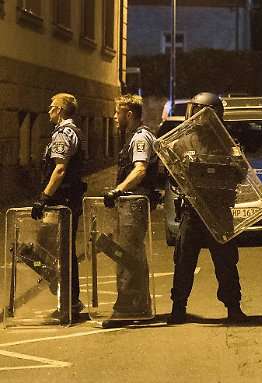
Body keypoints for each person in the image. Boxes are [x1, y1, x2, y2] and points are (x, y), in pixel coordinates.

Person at [167, 92, 248, 324]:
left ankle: (233, 306)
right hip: (192, 210)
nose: (192, 115)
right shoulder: (182, 140)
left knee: (226, 262)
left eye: (196, 110)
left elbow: (241, 174)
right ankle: (178, 307)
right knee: (183, 261)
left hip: (218, 211)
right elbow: (172, 174)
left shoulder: (226, 142)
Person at [100, 94, 157, 327]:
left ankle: (126, 309)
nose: (114, 117)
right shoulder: (134, 137)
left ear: (129, 115)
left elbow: (140, 170)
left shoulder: (140, 138)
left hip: (134, 204)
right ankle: (139, 304)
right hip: (131, 204)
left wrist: (117, 190)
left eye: (117, 113)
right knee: (131, 256)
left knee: (127, 256)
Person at [31, 92, 87, 321]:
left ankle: (68, 299)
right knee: (61, 250)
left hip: (62, 201)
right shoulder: (72, 131)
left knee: (56, 248)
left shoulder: (64, 134)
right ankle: (67, 296)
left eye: (52, 107)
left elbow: (60, 169)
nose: (49, 110)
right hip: (68, 199)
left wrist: (44, 197)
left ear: (60, 110)